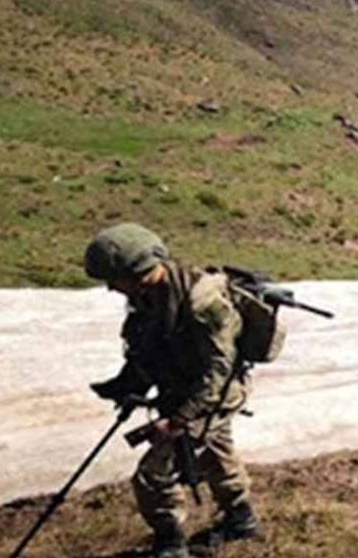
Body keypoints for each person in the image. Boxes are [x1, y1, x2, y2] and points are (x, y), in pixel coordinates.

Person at [84, 223, 259, 558]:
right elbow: (153, 348)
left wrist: (179, 420)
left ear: (135, 270)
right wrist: (124, 385)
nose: (109, 288)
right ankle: (240, 518)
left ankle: (171, 543)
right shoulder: (149, 296)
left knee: (153, 475)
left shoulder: (202, 301)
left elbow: (218, 370)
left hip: (213, 395)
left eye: (113, 278)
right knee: (215, 453)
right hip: (186, 389)